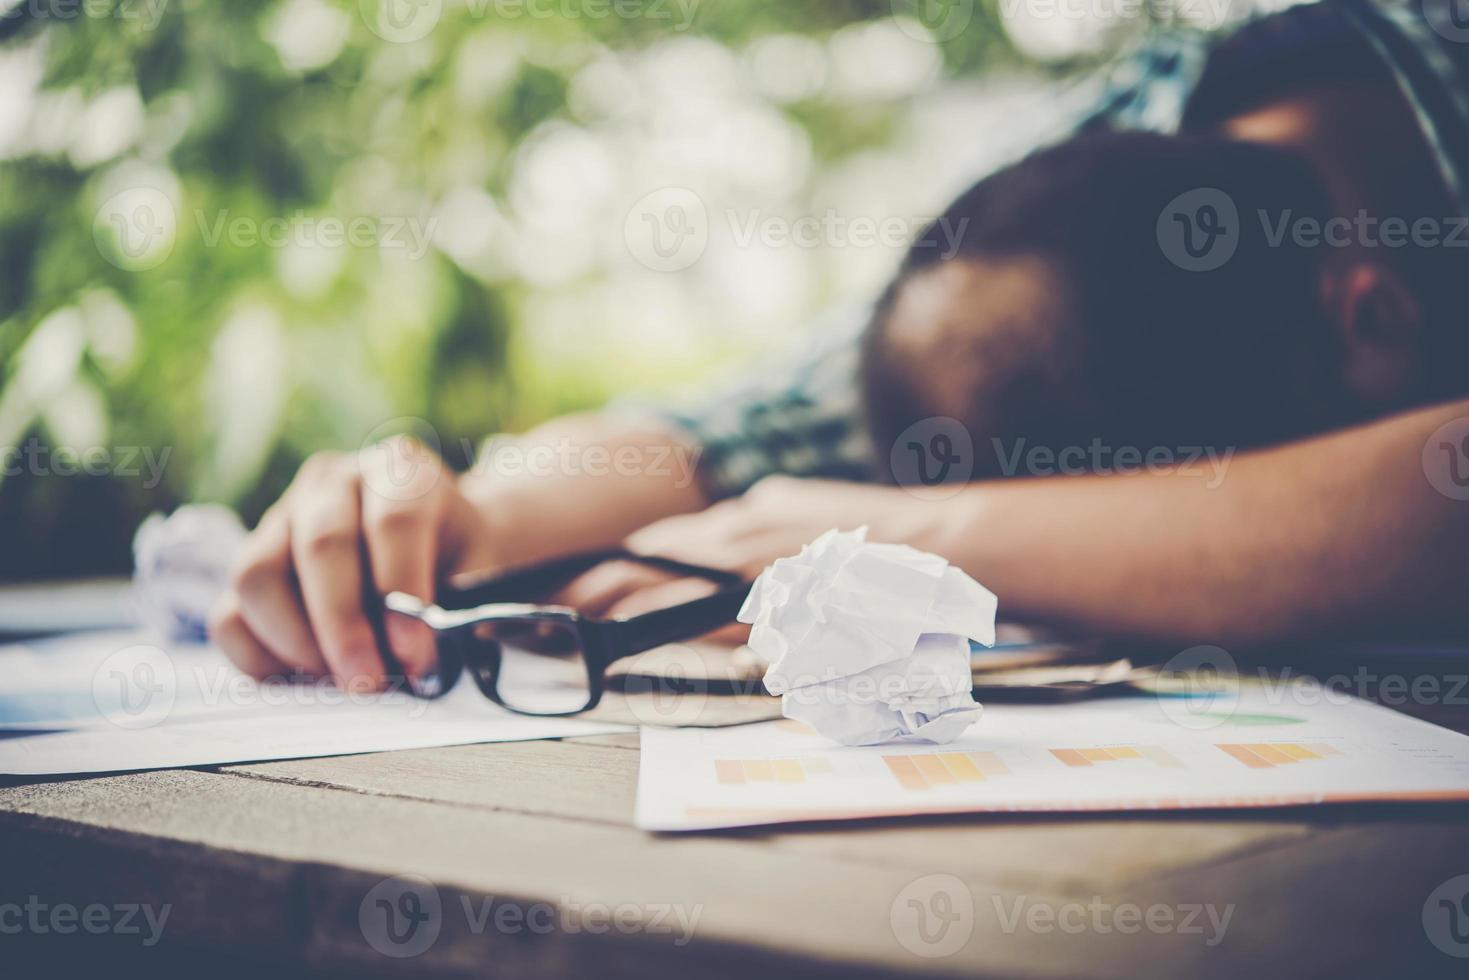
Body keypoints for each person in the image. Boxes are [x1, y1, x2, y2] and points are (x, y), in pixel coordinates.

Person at [210, 0, 1469, 687]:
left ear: (1378, 320)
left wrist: (900, 543)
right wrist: (450, 516)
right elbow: (726, 433)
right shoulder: (1104, 167)